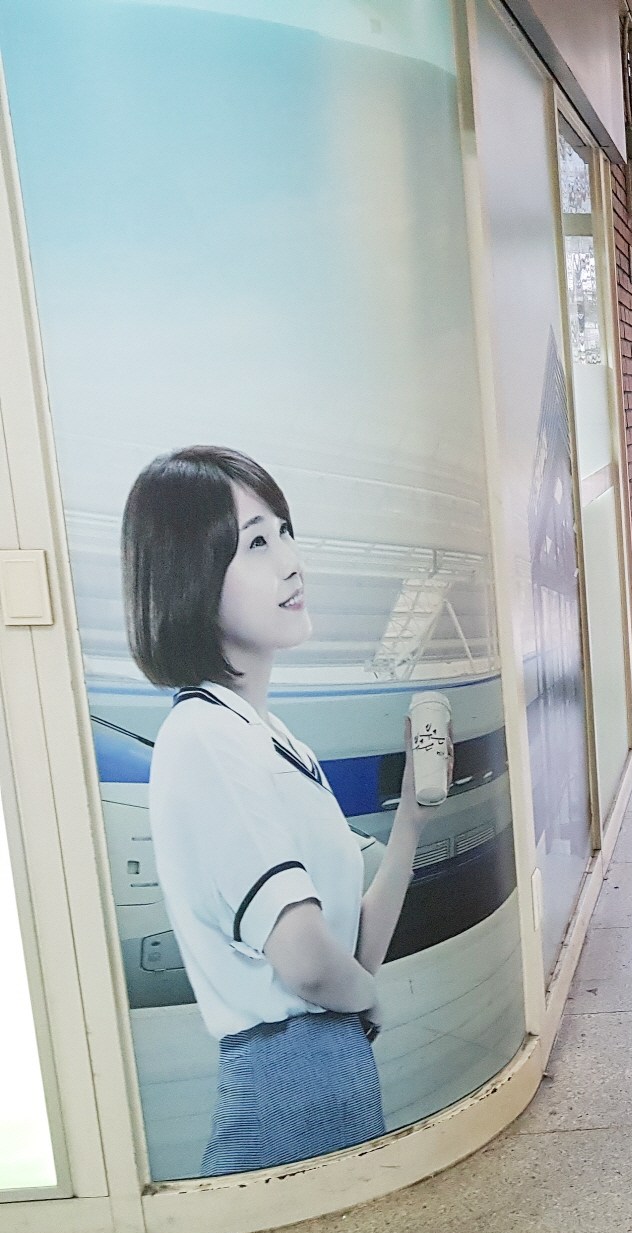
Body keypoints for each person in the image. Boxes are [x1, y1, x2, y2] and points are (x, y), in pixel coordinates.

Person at [125, 446, 446, 1176]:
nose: (292, 561)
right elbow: (305, 962)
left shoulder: (269, 738)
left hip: (329, 1075)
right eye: (258, 543)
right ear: (190, 577)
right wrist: (367, 1001)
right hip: (287, 1090)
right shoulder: (205, 738)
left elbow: (350, 946)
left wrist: (410, 824)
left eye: (286, 532)